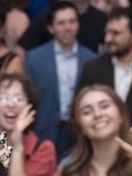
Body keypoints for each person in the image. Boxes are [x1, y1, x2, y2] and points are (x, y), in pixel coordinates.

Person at [23, 0, 96, 156]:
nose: (67, 27)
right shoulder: (34, 59)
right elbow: (27, 98)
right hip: (43, 131)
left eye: (72, 21)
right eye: (61, 23)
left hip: (80, 133)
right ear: (51, 28)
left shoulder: (91, 60)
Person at [17, 0, 106, 55]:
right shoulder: (49, 16)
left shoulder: (102, 19)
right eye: (61, 23)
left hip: (88, 77)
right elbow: (21, 50)